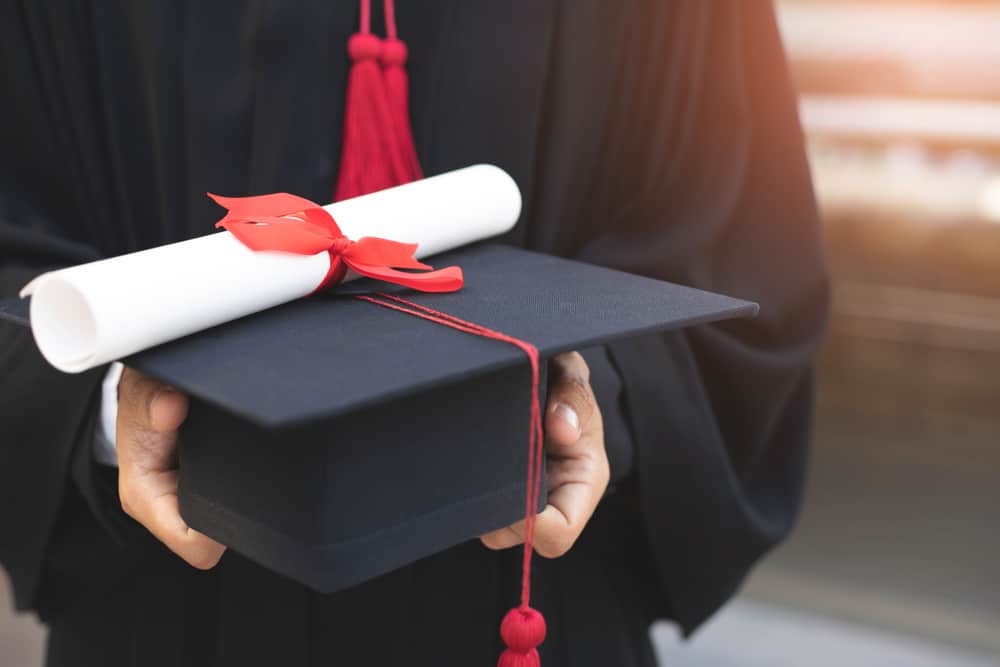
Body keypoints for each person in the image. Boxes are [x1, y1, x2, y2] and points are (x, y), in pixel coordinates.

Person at [0, 1, 829, 665]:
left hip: (525, 597)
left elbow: (741, 234)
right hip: (165, 607)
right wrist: (115, 412)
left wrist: (586, 397)